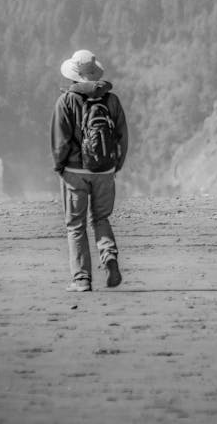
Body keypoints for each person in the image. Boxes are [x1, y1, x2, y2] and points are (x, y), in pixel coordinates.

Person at [51, 49, 128, 292]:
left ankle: (82, 279)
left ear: (74, 75)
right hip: (105, 170)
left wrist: (59, 166)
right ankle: (109, 257)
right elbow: (122, 137)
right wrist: (116, 165)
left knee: (75, 224)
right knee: (101, 218)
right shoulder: (112, 100)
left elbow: (60, 140)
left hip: (75, 171)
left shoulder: (66, 101)